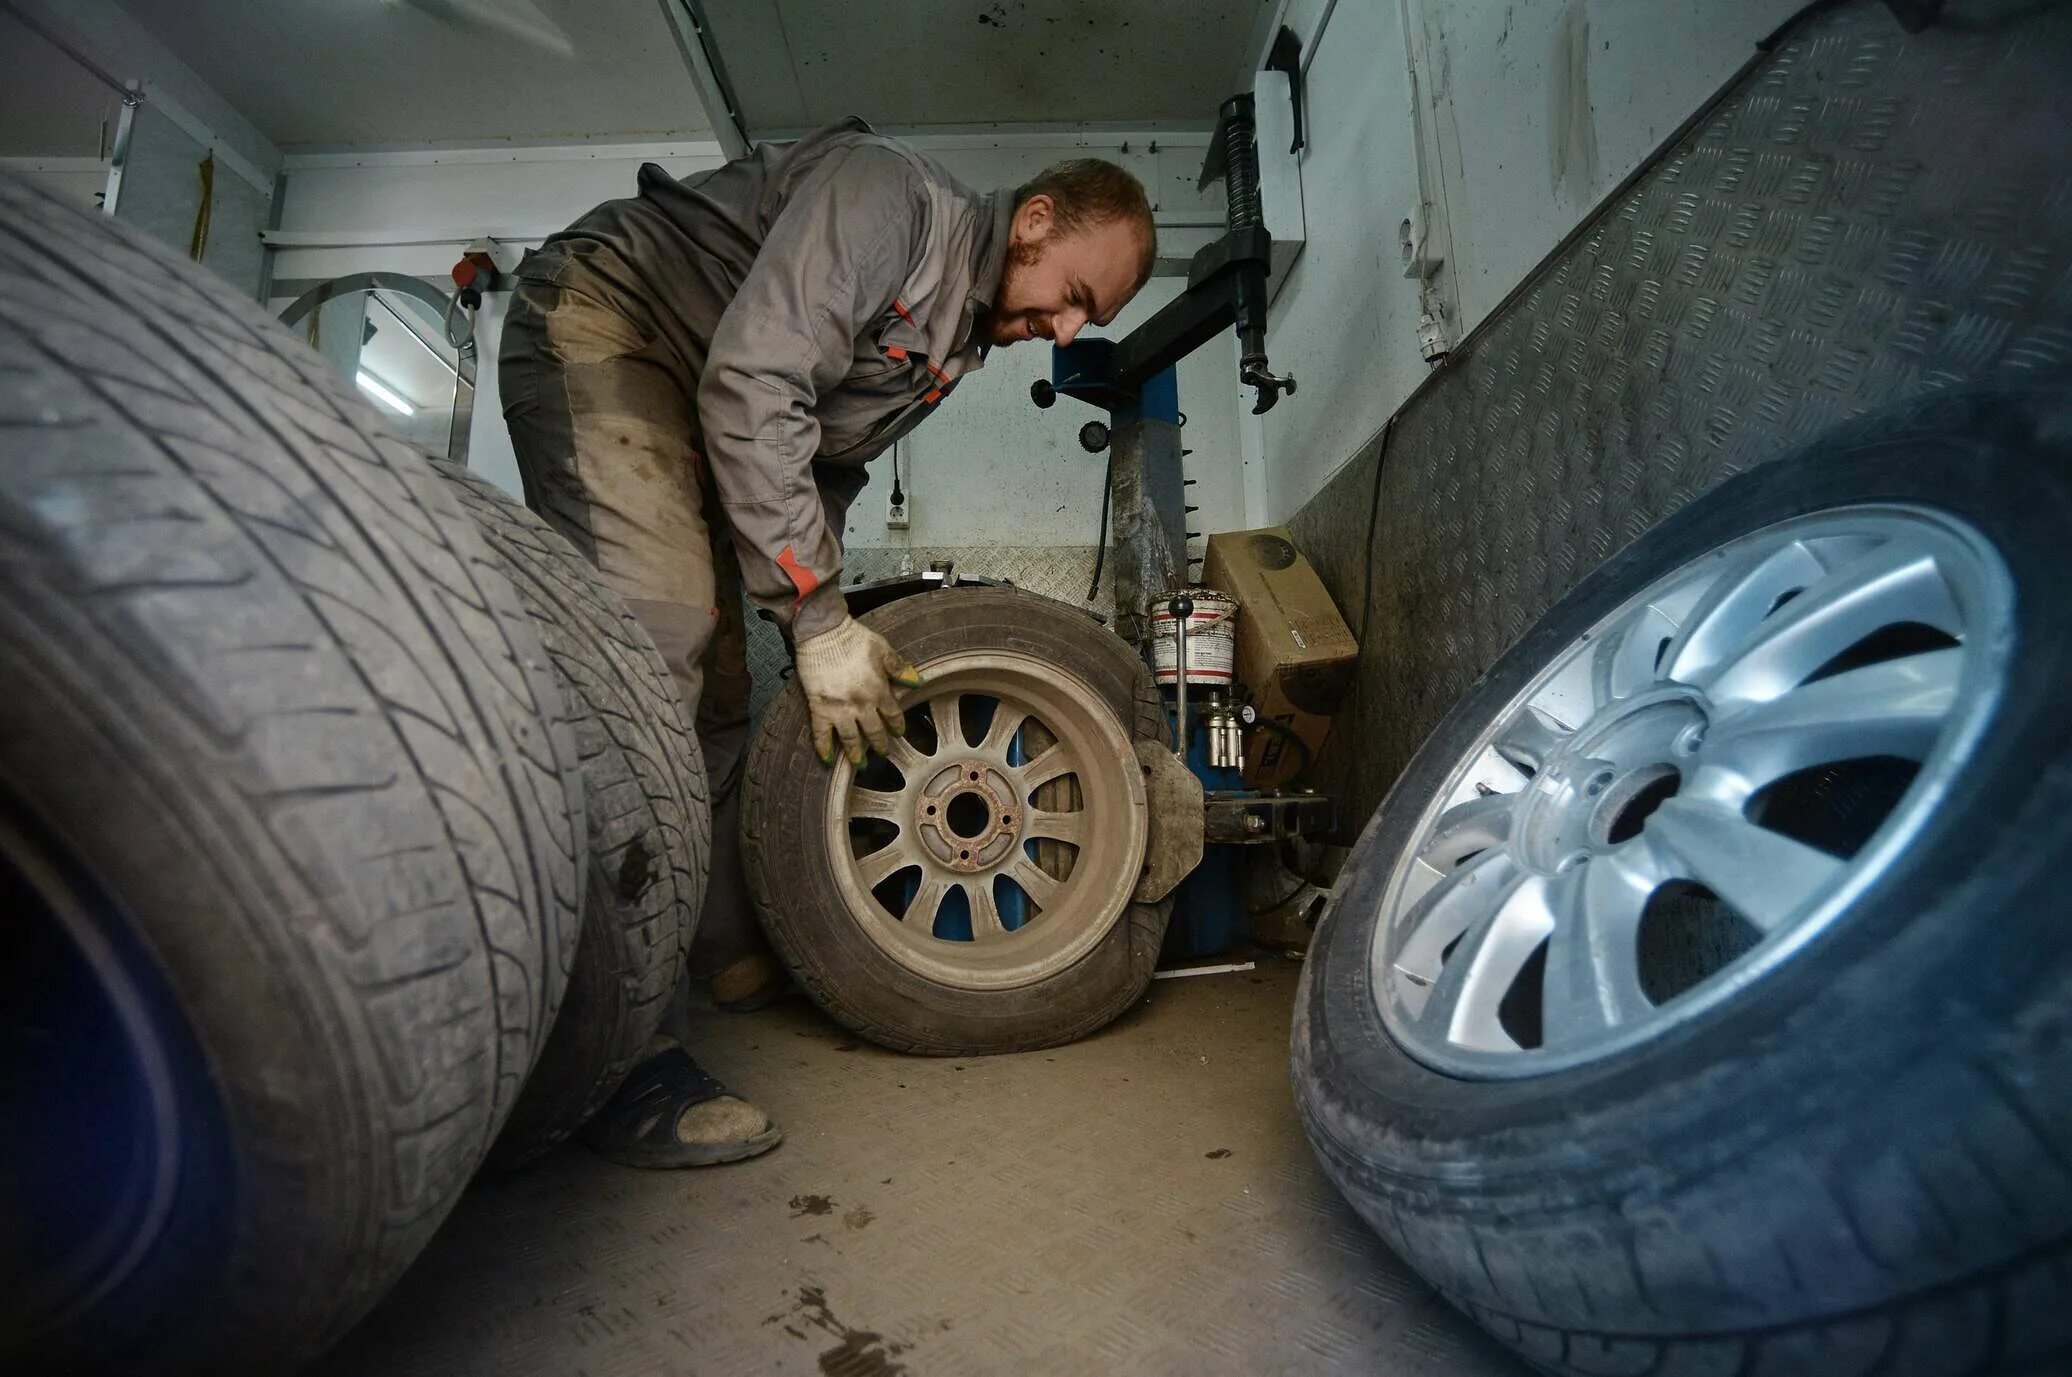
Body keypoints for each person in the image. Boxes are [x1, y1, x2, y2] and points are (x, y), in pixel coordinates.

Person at [499, 117, 1157, 1166]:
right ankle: (604, 1059)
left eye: (1092, 318)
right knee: (651, 654)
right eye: (1076, 294)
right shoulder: (887, 199)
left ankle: (708, 943)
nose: (1071, 331)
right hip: (613, 324)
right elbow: (756, 383)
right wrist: (813, 620)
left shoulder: (956, 339)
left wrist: (823, 623)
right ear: (1034, 222)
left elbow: (822, 471)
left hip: (707, 396)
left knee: (717, 691)